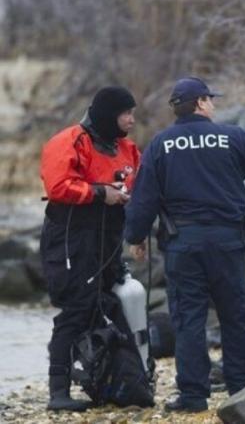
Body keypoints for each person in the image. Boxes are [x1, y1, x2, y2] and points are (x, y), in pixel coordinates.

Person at [124, 76, 245, 412]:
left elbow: (143, 198)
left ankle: (193, 396)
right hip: (227, 243)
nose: (214, 104)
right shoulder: (231, 137)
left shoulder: (160, 145)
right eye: (211, 99)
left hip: (182, 245)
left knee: (188, 318)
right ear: (202, 103)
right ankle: (242, 387)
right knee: (235, 314)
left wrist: (135, 237)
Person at [40, 86, 139, 411]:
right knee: (77, 310)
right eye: (127, 114)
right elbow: (57, 186)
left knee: (108, 306)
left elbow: (139, 184)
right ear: (110, 114)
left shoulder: (127, 148)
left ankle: (113, 383)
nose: (132, 120)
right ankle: (58, 392)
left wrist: (137, 226)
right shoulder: (68, 141)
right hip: (71, 240)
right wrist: (101, 193)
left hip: (107, 241)